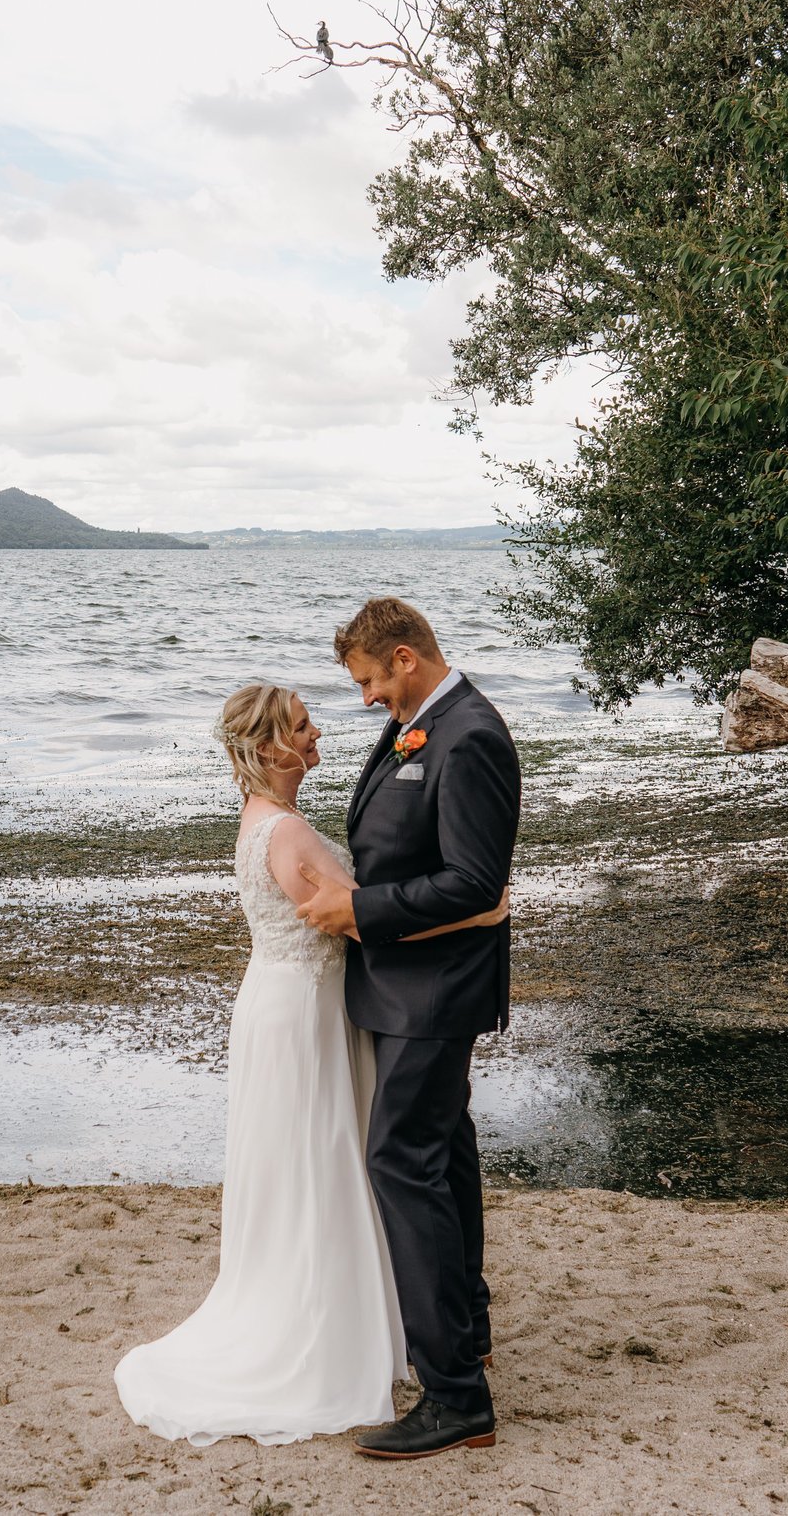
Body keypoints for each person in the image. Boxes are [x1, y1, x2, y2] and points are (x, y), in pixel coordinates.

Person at [113, 682, 504, 1445]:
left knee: (310, 1167)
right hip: (302, 1013)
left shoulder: (271, 822)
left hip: (289, 1004)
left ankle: (411, 1321)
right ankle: (326, 1326)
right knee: (319, 1167)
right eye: (301, 724)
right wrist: (478, 911)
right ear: (269, 748)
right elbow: (357, 924)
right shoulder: (286, 835)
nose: (318, 727)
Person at [295, 597, 520, 1461]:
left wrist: (359, 909)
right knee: (444, 1148)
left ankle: (457, 1398)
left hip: (437, 992)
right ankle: (467, 1326)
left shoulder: (470, 736)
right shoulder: (425, 721)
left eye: (368, 683)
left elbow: (473, 884)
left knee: (402, 1160)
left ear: (404, 658)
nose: (363, 701)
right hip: (406, 986)